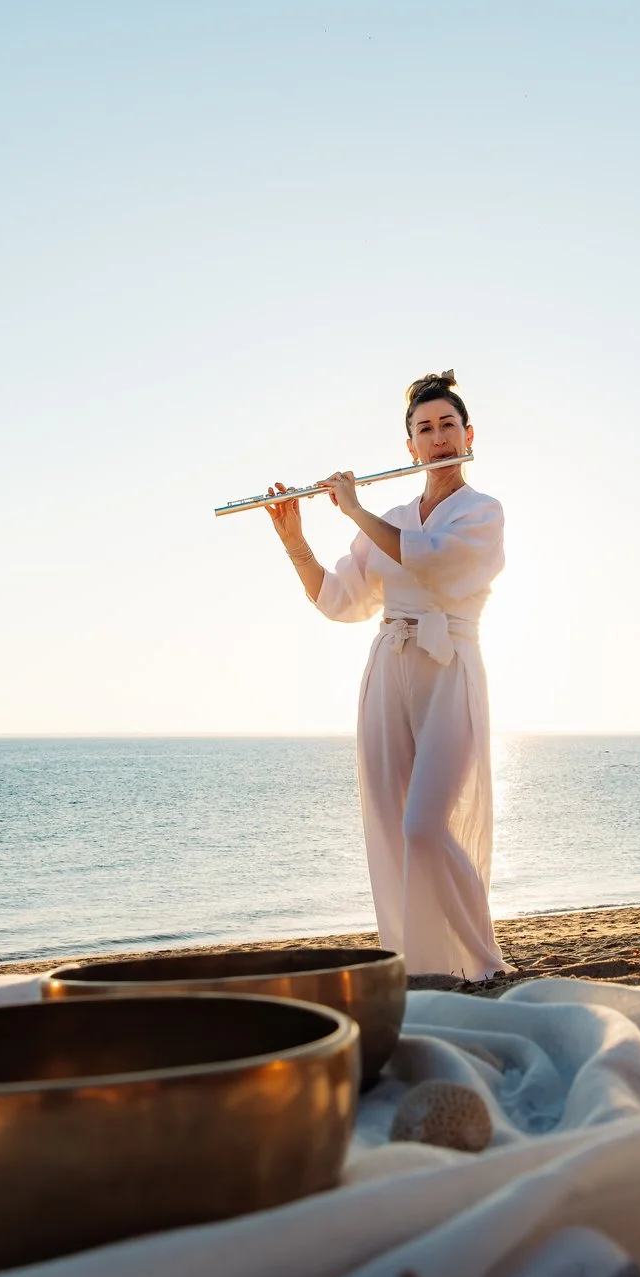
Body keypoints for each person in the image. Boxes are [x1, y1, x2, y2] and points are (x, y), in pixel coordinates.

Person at [263, 372, 507, 979]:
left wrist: (353, 508)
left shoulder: (483, 512)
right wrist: (296, 542)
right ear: (411, 448)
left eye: (448, 424)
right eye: (425, 429)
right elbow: (339, 600)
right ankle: (423, 969)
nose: (439, 437)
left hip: (449, 669)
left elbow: (434, 565)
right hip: (387, 669)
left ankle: (484, 963)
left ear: (468, 433)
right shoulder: (393, 513)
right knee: (391, 830)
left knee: (424, 826)